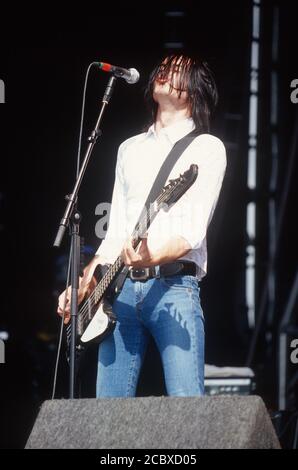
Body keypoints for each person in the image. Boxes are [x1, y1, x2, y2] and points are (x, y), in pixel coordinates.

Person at [57, 53, 227, 397]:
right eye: (163, 68)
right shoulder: (129, 148)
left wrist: (149, 257)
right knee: (109, 412)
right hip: (118, 292)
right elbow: (115, 229)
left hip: (174, 289)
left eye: (177, 70)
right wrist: (86, 285)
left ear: (195, 90)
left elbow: (191, 233)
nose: (165, 72)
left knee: (187, 406)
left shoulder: (207, 148)